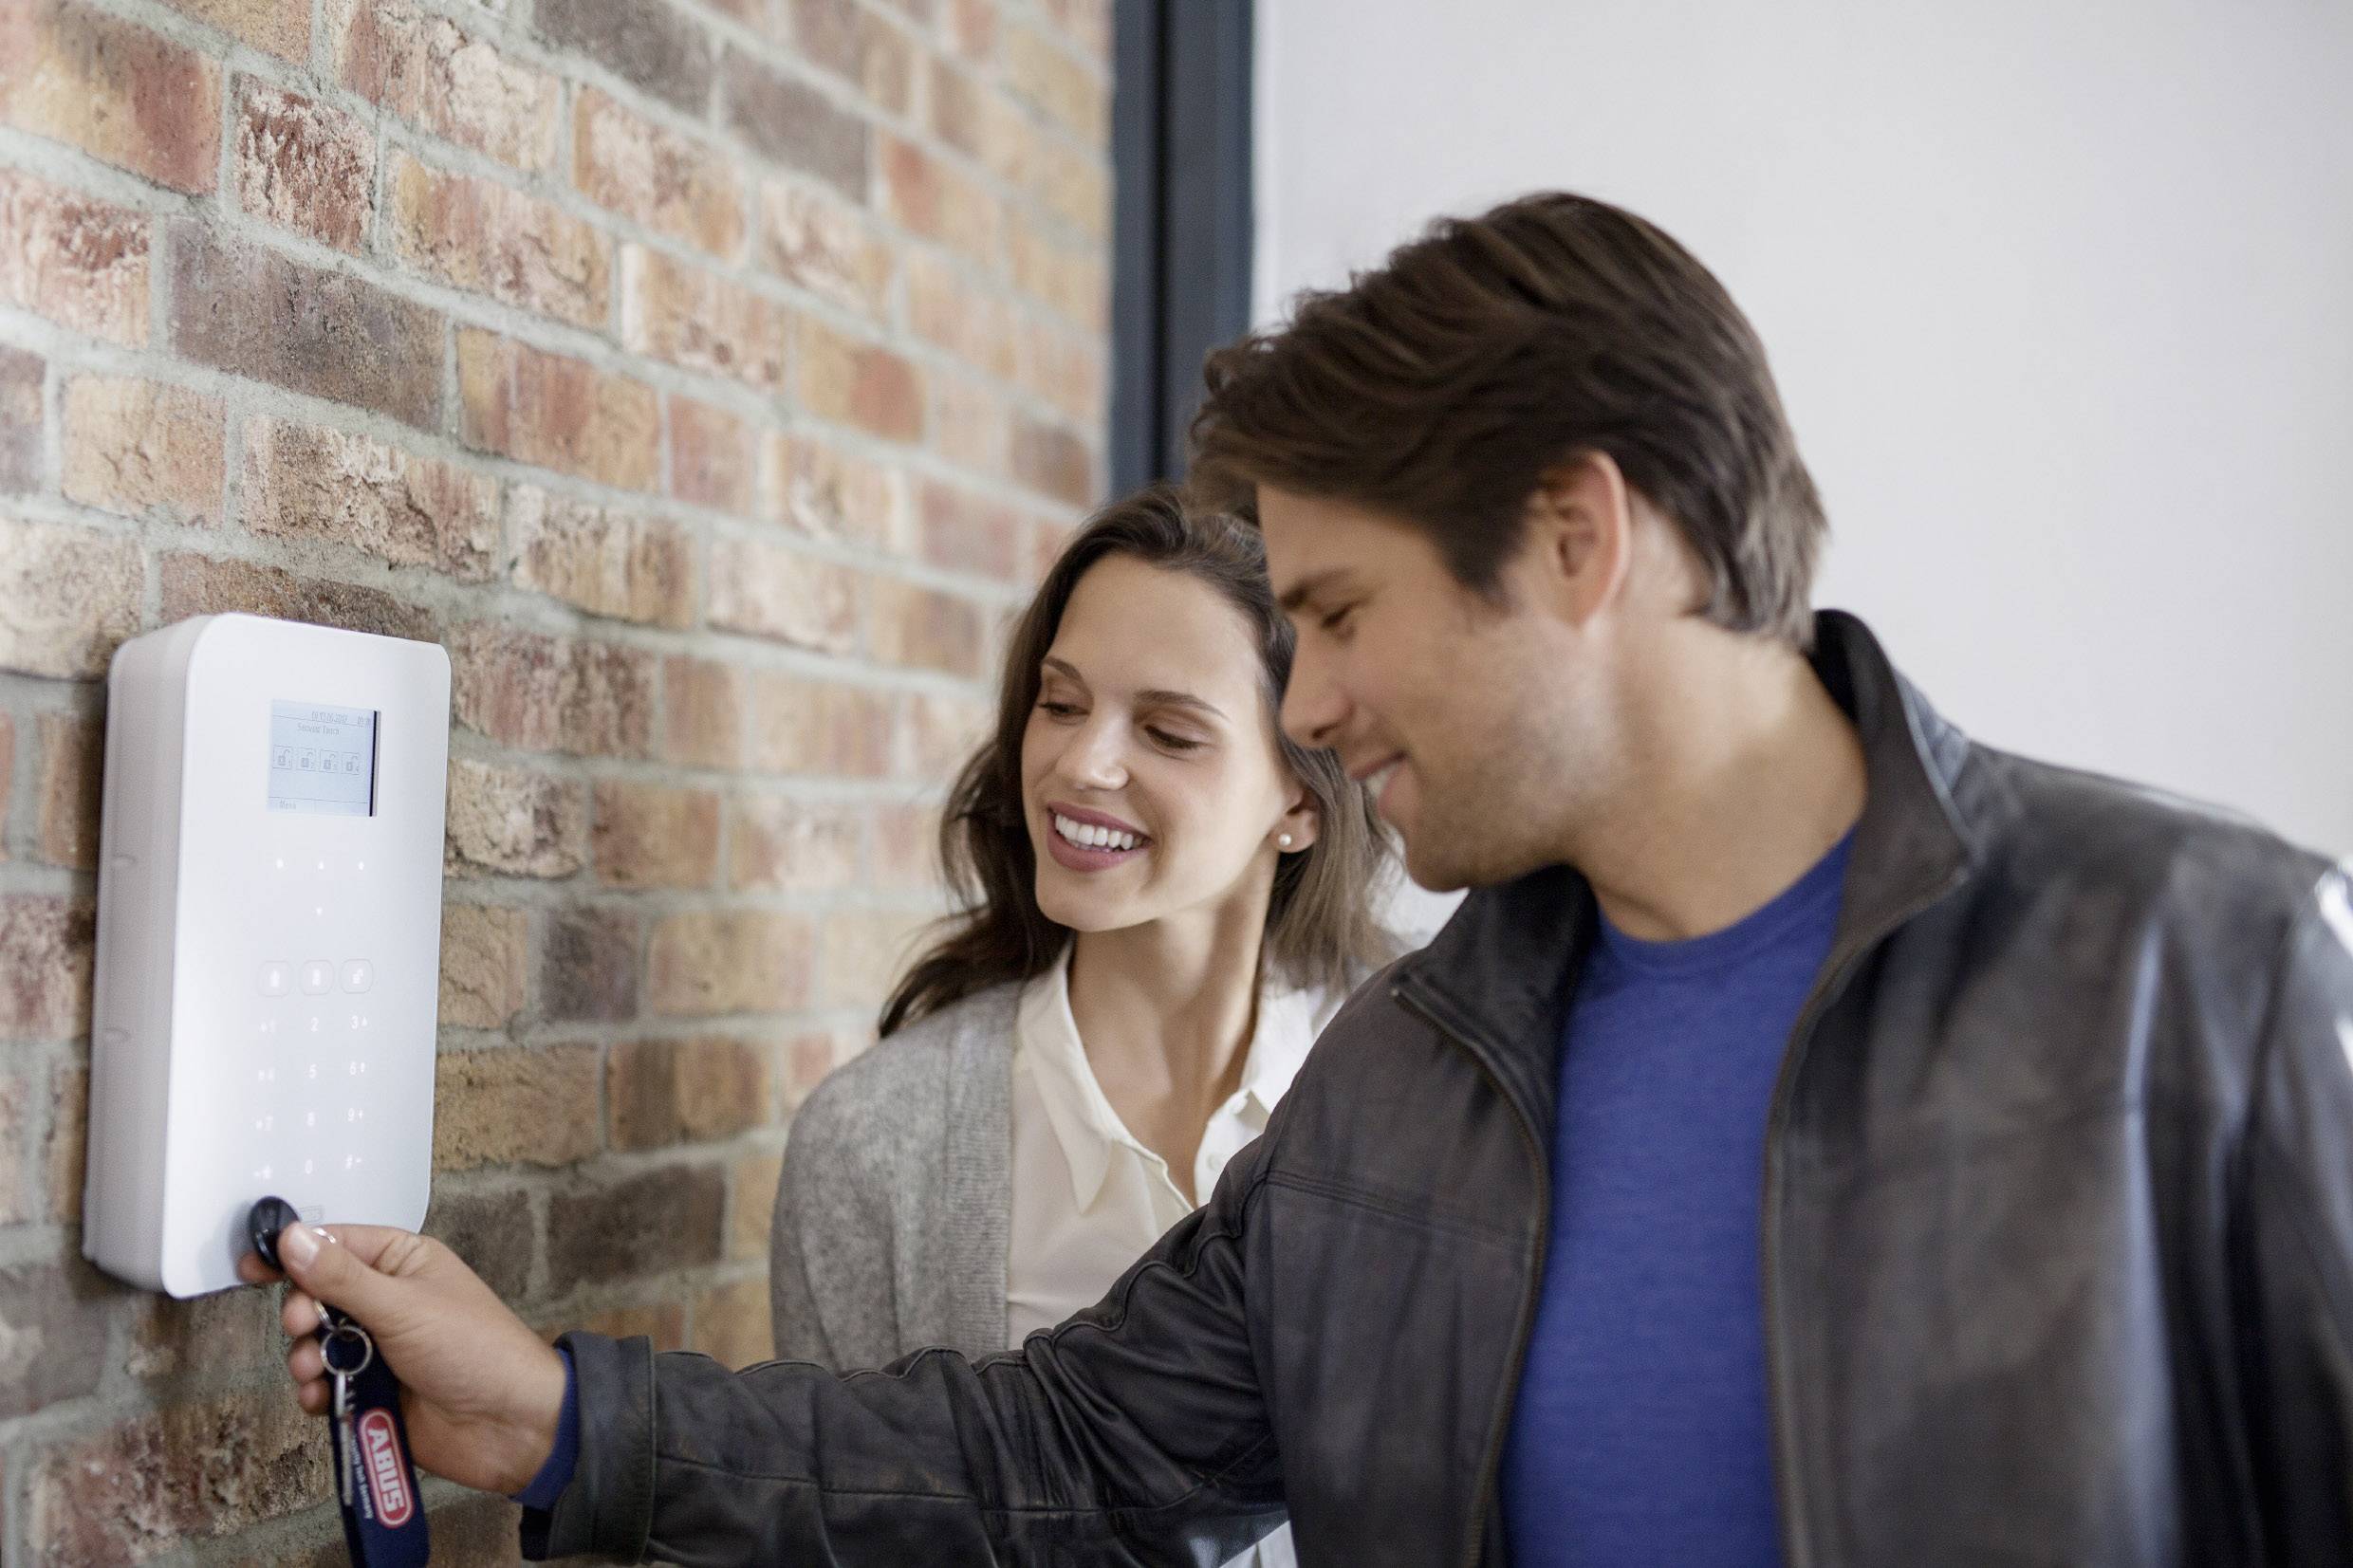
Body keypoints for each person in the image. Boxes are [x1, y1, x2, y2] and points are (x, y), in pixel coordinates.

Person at [246, 191, 2353, 1566]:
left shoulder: (2206, 970)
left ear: (1573, 538)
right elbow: (1050, 1453)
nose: (1313, 701)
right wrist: (563, 1409)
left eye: (1337, 611)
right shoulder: (1408, 1089)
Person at [766, 487, 1392, 1568]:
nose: (1080, 765)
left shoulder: (1410, 1106)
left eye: (1166, 731)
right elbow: (845, 1525)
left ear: (1298, 799)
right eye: (1059, 705)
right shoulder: (876, 1145)